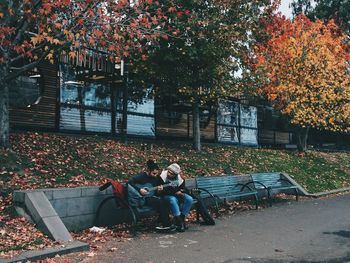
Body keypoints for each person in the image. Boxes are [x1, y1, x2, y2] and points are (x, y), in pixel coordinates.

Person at [128, 160, 174, 231]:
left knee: (165, 201)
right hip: (143, 198)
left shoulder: (156, 178)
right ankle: (166, 224)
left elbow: (155, 192)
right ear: (148, 170)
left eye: (156, 173)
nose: (155, 175)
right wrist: (139, 190)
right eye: (154, 173)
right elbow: (129, 182)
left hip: (151, 196)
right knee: (160, 202)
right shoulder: (141, 176)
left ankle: (162, 222)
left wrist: (159, 190)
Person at [158, 163, 193, 232]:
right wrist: (174, 192)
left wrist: (181, 192)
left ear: (176, 174)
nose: (169, 174)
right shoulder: (162, 176)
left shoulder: (179, 179)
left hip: (177, 194)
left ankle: (182, 218)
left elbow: (182, 188)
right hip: (165, 195)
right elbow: (162, 191)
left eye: (172, 174)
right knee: (173, 199)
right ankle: (179, 221)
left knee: (189, 199)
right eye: (169, 172)